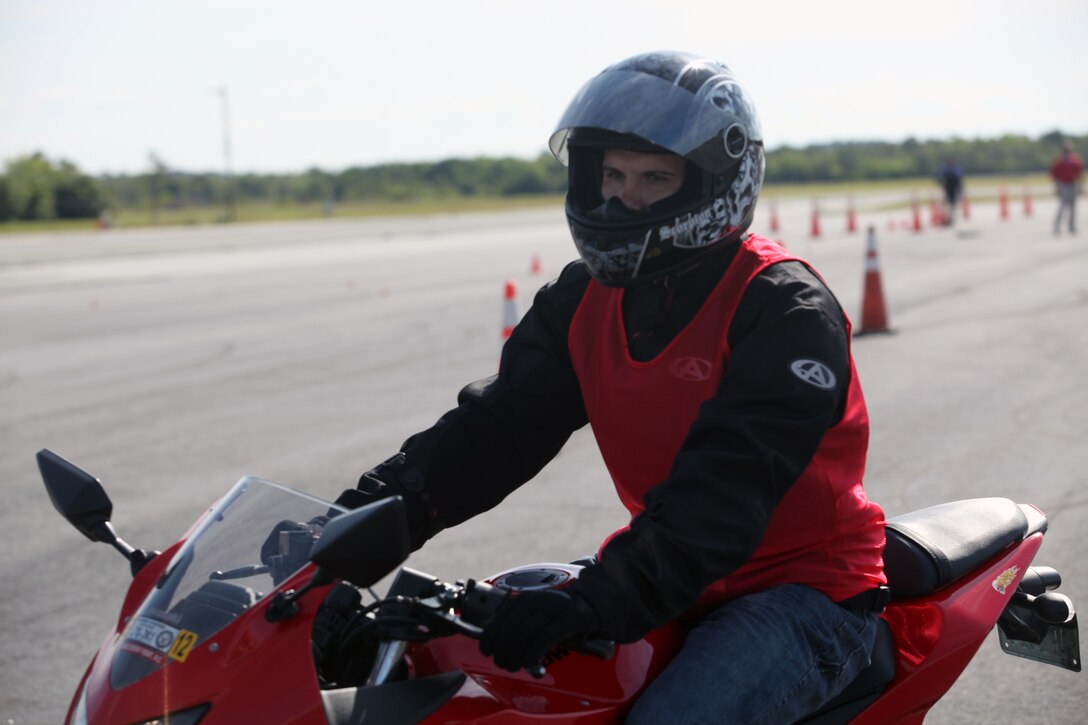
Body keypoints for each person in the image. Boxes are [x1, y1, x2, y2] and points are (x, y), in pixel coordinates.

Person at [336, 51, 887, 723]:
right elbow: (491, 436)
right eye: (614, 174)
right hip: (672, 574)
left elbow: (727, 486)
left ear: (715, 182)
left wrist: (597, 598)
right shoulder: (583, 298)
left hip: (805, 589)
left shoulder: (784, 309)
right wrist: (332, 546)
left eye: (655, 177)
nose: (626, 197)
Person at [1050, 140, 1083, 235]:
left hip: (1073, 184)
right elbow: (1055, 175)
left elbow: (1079, 173)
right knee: (1062, 207)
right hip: (1064, 185)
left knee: (1073, 207)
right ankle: (1057, 226)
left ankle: (1071, 226)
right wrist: (1057, 187)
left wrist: (1080, 186)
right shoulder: (1059, 160)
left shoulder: (1074, 159)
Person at [936, 158, 965, 225]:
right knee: (946, 204)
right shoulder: (947, 169)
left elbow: (959, 179)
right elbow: (941, 178)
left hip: (953, 189)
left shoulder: (956, 169)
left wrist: (960, 189)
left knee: (952, 204)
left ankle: (950, 217)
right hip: (948, 189)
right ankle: (946, 217)